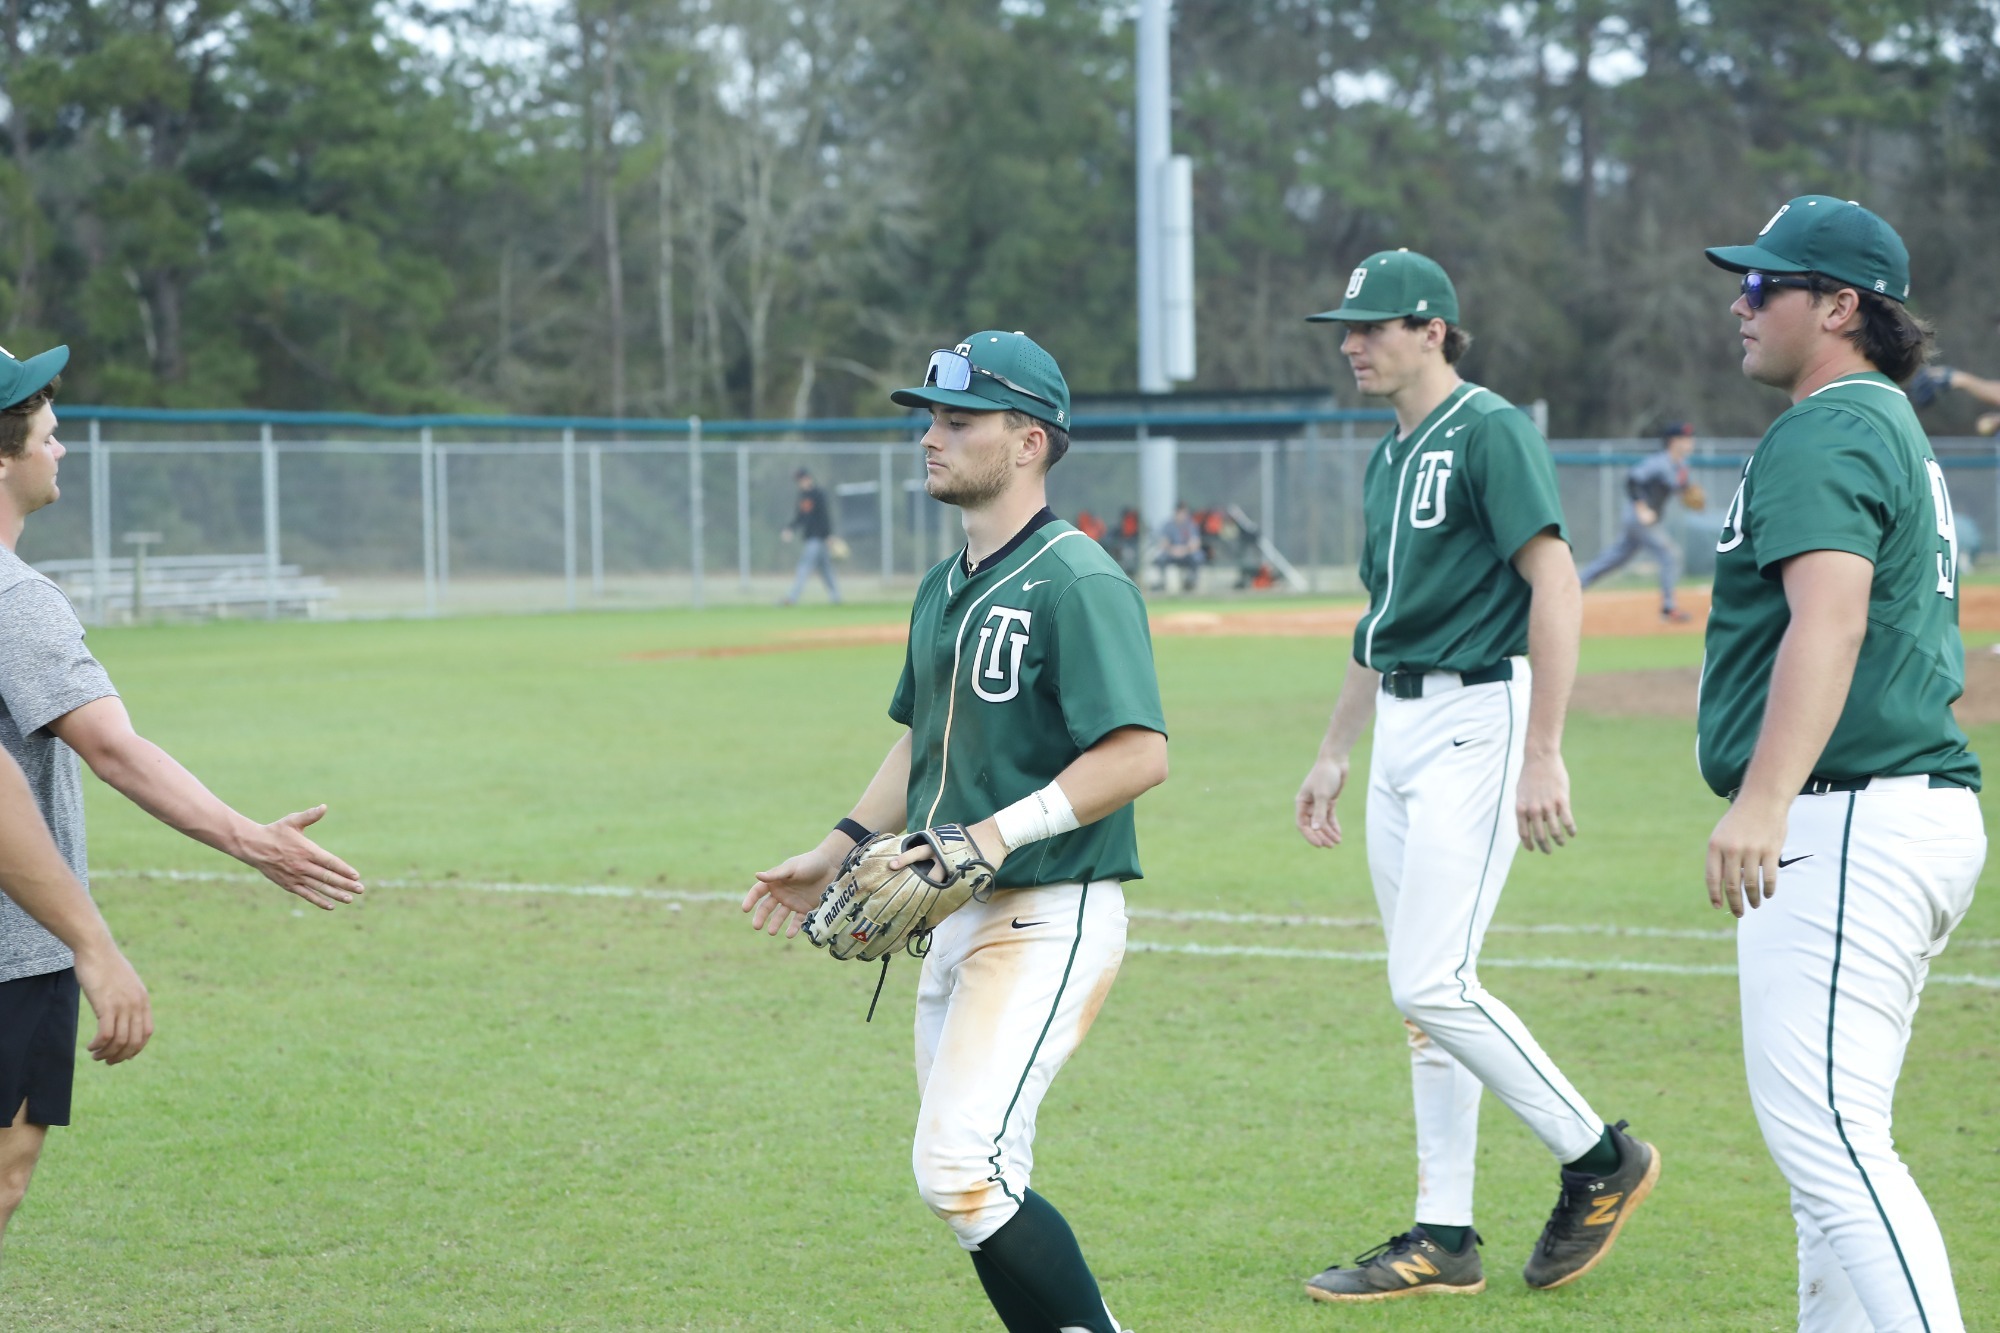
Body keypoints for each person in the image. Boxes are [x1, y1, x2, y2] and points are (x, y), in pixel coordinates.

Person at [744, 331, 1167, 1333]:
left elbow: (1136, 753)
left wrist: (993, 834)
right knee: (975, 1184)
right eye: (929, 417)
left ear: (1027, 440)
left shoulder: (1077, 578)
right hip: (958, 912)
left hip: (1046, 913)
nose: (929, 437)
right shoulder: (945, 584)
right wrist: (840, 842)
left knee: (957, 1167)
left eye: (957, 420)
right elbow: (923, 743)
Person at [1291, 251, 1658, 1303]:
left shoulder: (1489, 429)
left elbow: (1554, 578)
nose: (1352, 343)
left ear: (1432, 330)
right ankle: (1441, 1237)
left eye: (1372, 326)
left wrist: (1543, 746)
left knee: (1429, 980)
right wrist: (1332, 748)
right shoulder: (1386, 454)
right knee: (1424, 1004)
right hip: (1401, 725)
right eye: (1345, 328)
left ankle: (1598, 1154)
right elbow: (1376, 621)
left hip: (1476, 718)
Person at [0, 344, 363, 1238]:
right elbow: (113, 749)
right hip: (15, 947)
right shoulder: (17, 599)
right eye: (48, 435)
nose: (63, 449)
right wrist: (251, 839)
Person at [1699, 197, 1983, 1332]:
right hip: (1890, 811)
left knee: (1830, 1147)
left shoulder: (1826, 425)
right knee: (1829, 1163)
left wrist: (1761, 799)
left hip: (1847, 816)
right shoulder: (1879, 424)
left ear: (1839, 306)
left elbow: (1830, 620)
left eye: (1765, 284)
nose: (1740, 300)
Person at [1577, 421, 1701, 621]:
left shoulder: (1681, 466)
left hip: (1646, 520)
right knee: (1670, 555)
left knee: (1615, 557)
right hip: (1639, 519)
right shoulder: (1659, 462)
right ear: (1673, 441)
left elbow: (1684, 489)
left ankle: (1574, 587)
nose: (1690, 442)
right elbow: (1632, 480)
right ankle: (1669, 608)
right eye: (1685, 438)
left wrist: (1690, 495)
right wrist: (1642, 508)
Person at [780, 467, 841, 605]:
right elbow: (800, 517)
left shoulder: (818, 494)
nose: (800, 483)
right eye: (798, 481)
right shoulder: (802, 497)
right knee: (826, 570)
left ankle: (792, 598)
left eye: (801, 479)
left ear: (808, 478)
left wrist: (829, 535)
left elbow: (825, 516)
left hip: (819, 538)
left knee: (804, 567)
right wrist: (790, 528)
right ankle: (836, 598)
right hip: (811, 538)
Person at [1154, 501, 1203, 592]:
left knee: (1197, 556)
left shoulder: (1191, 525)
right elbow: (1163, 542)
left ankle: (1191, 581)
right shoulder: (1168, 525)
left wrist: (1184, 550)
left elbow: (1195, 543)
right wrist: (1173, 549)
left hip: (1187, 553)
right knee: (1161, 557)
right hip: (1171, 553)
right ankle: (1162, 582)